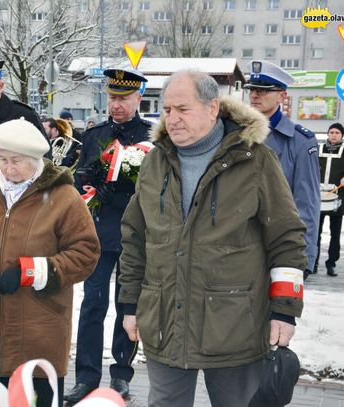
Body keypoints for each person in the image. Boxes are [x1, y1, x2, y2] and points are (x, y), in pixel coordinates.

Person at [118, 70, 307, 407]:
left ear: (212, 108)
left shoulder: (256, 161)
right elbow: (135, 238)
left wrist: (284, 311)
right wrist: (130, 304)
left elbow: (287, 238)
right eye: (167, 110)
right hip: (164, 319)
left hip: (234, 325)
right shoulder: (155, 162)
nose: (172, 119)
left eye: (183, 109)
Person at [0, 118, 100, 406]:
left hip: (39, 330)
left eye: (16, 161)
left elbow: (85, 253)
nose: (8, 169)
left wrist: (32, 271)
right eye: (2, 159)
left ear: (36, 160)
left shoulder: (63, 197)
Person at [64, 67, 152, 403]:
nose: (117, 104)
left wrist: (115, 187)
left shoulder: (151, 136)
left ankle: (121, 376)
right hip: (98, 234)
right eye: (113, 97)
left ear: (138, 98)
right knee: (92, 306)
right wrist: (94, 182)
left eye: (124, 98)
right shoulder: (93, 135)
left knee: (127, 307)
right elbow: (82, 182)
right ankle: (86, 378)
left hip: (135, 236)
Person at [245, 60, 320, 280]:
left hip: (276, 246)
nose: (255, 95)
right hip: (236, 247)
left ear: (282, 96)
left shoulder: (300, 141)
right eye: (252, 90)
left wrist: (303, 258)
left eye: (264, 90)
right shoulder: (234, 134)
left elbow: (307, 203)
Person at [316, 122, 344, 277]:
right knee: (316, 232)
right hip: (318, 197)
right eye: (332, 132)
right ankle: (313, 262)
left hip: (337, 198)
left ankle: (331, 264)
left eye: (337, 133)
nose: (334, 135)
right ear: (328, 134)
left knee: (334, 233)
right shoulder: (319, 149)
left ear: (342, 135)